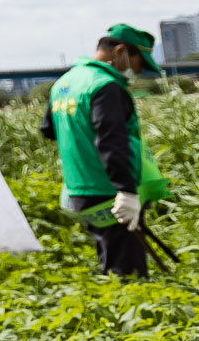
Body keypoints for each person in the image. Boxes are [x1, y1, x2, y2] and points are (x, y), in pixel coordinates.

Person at [46, 23, 159, 279]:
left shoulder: (64, 83)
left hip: (79, 188)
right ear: (120, 51)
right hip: (109, 190)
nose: (136, 72)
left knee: (110, 253)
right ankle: (130, 313)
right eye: (137, 64)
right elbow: (111, 141)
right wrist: (126, 191)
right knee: (127, 271)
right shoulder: (106, 86)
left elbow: (49, 130)